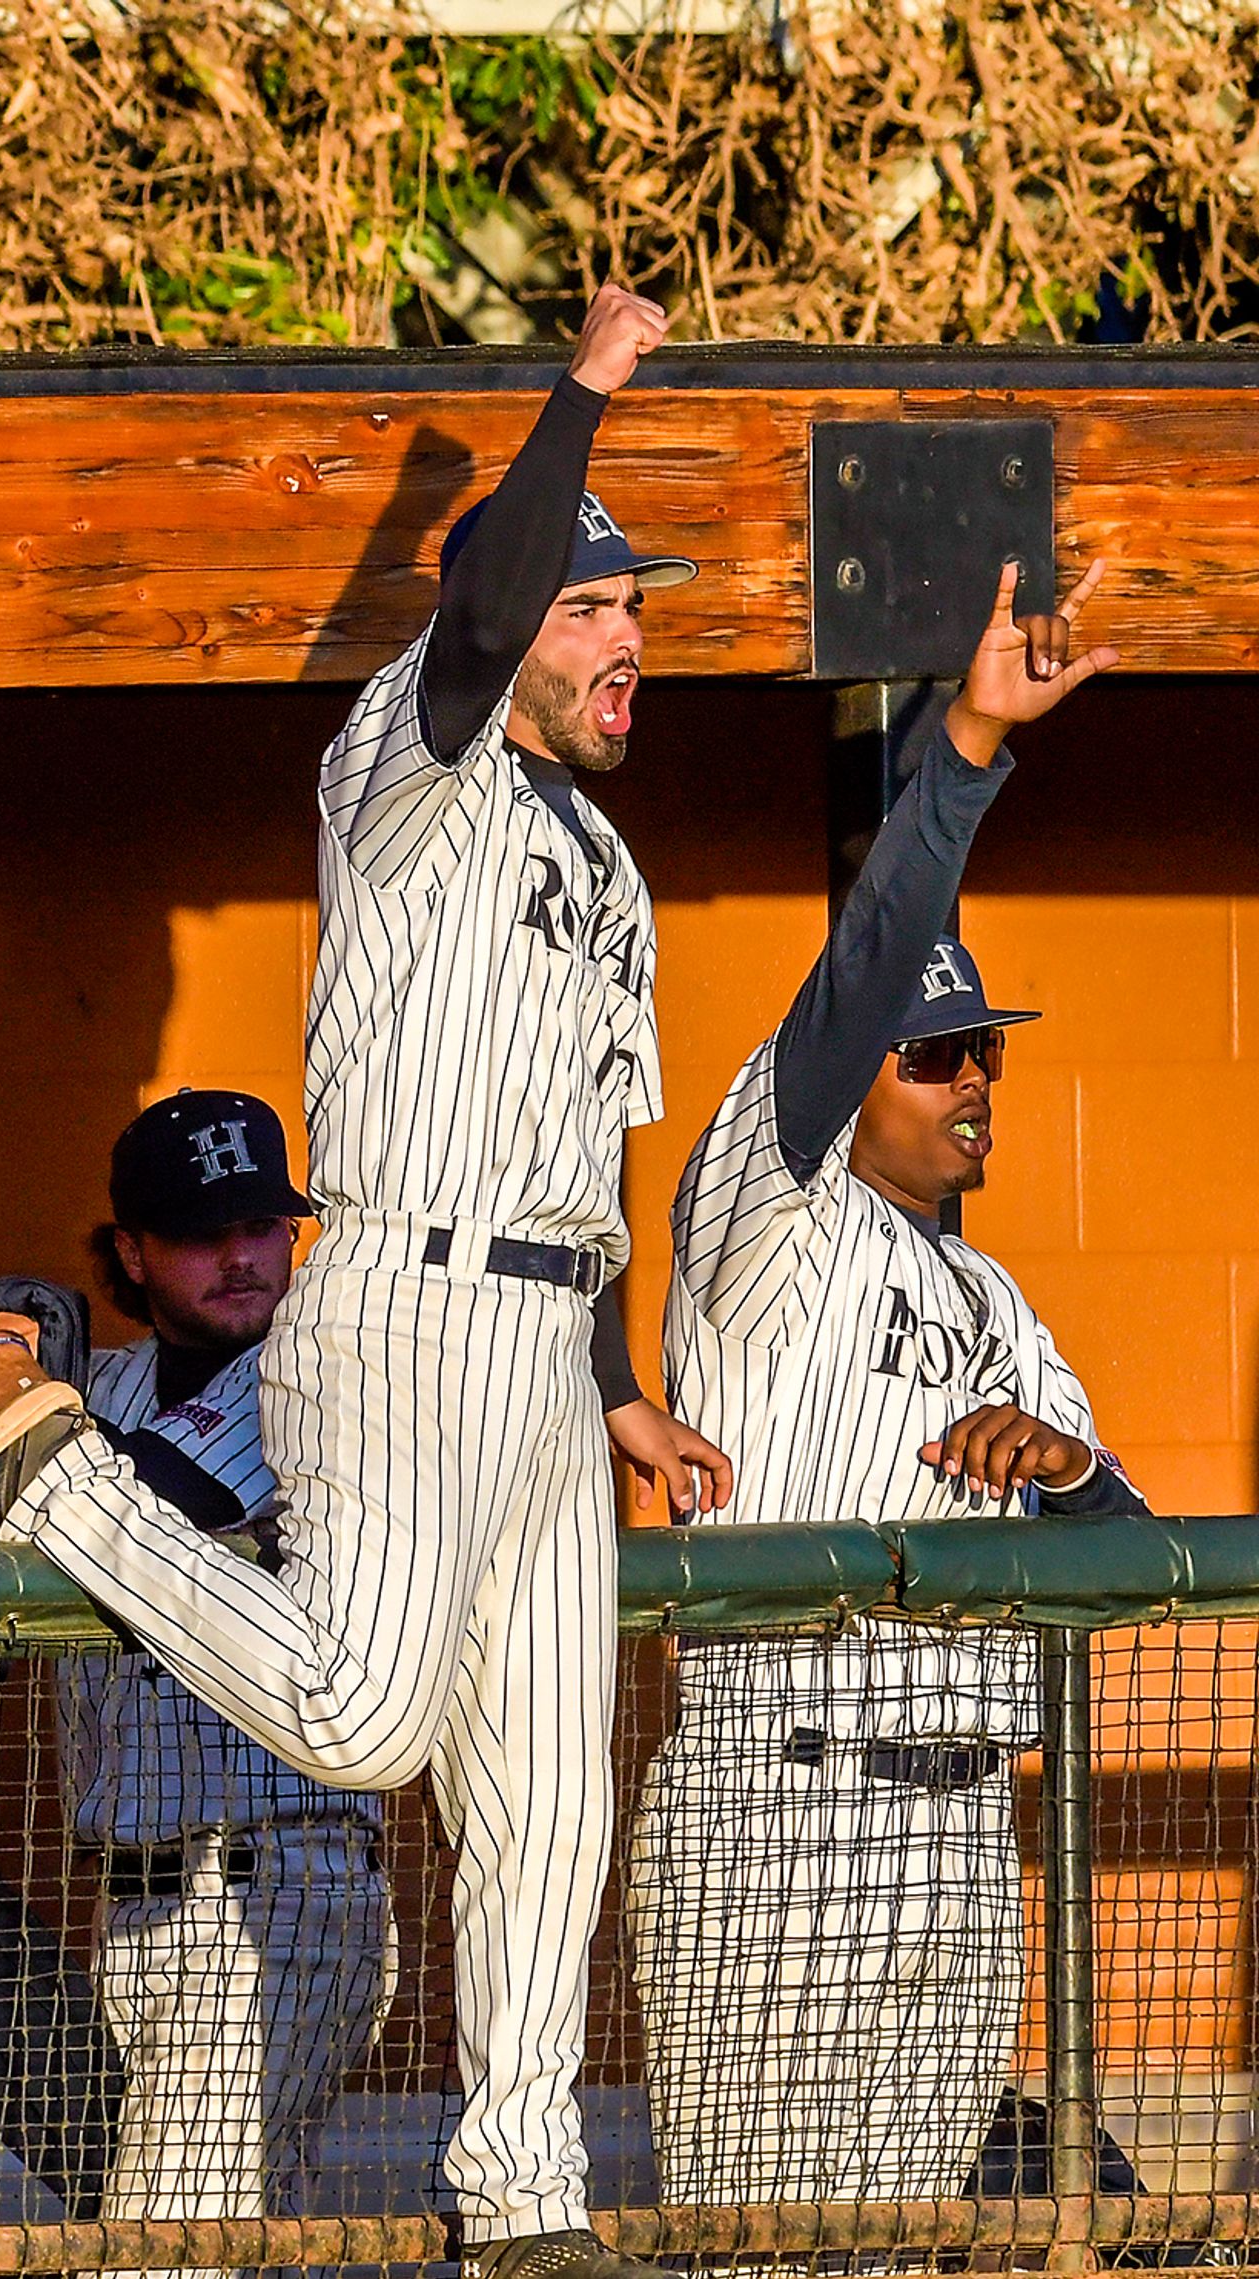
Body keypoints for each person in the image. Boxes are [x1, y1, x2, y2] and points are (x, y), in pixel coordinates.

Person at [0, 283, 737, 2279]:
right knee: (370, 1712)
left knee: (553, 1797)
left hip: (547, 1319)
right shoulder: (409, 751)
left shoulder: (610, 865)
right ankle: (60, 1480)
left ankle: (522, 2191)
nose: (628, 639)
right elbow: (473, 616)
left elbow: (596, 1133)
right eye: (592, 605)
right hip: (402, 1284)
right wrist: (582, 393)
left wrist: (616, 1369)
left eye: (639, 608)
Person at [634, 565, 1138, 2208]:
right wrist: (971, 747)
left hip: (957, 1837)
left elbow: (1133, 1557)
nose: (972, 1076)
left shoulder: (995, 1292)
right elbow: (860, 972)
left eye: (985, 1049)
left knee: (916, 2242)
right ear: (856, 1086)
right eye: (936, 1054)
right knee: (758, 2245)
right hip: (780, 1799)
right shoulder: (761, 1212)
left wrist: (1062, 1467)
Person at [43, 1094, 392, 2277]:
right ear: (131, 1251)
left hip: (275, 1892)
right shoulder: (106, 1382)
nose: (244, 1254)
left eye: (263, 1222)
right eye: (203, 1232)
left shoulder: (323, 1378)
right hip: (137, 1903)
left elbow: (145, 1496)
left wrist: (14, 1397)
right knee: (244, 2235)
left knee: (165, 2246)